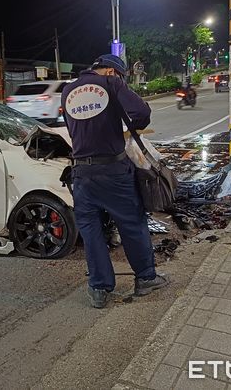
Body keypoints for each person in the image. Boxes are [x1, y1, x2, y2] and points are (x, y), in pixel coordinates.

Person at [61, 54, 168, 309]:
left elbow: (71, 125)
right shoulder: (111, 83)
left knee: (91, 231)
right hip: (113, 171)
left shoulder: (68, 90)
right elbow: (142, 111)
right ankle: (145, 278)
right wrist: (132, 126)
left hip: (82, 175)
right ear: (112, 72)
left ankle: (99, 289)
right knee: (132, 223)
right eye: (121, 76)